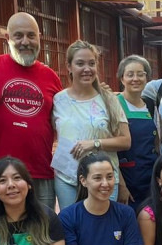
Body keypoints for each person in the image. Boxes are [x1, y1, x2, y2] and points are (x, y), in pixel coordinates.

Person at [0, 12, 62, 209]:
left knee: (42, 236)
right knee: (3, 236)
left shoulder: (51, 77)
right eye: (18, 36)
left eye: (31, 35)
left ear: (39, 37)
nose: (25, 41)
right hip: (2, 176)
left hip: (42, 174)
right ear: (7, 38)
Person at [52, 40, 132, 210]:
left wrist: (94, 143)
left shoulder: (109, 99)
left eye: (91, 63)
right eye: (80, 63)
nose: (86, 69)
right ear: (69, 66)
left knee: (102, 229)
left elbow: (125, 141)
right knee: (71, 229)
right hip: (67, 178)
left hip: (103, 179)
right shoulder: (58, 100)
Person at [115, 55, 160, 206]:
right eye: (130, 74)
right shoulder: (114, 103)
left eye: (141, 74)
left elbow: (155, 143)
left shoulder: (150, 104)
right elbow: (110, 152)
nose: (136, 78)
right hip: (128, 179)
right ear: (122, 79)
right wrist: (121, 185)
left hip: (150, 179)